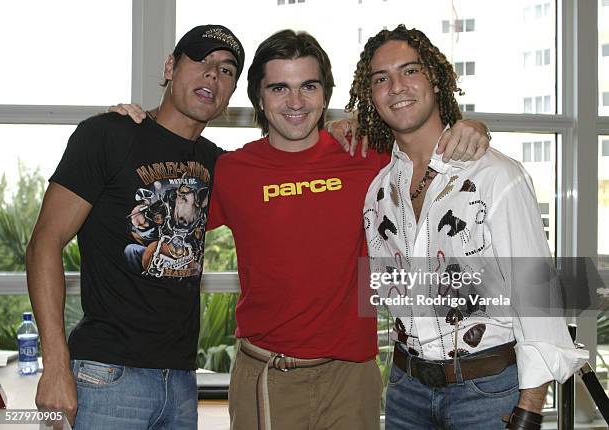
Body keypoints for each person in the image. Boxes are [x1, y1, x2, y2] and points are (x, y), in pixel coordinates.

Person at [110, 30, 490, 430]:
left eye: (308, 86)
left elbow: (424, 134)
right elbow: (153, 207)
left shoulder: (366, 155)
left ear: (326, 94)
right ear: (259, 96)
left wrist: (471, 126)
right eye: (279, 88)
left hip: (351, 378)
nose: (295, 102)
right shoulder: (231, 171)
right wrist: (132, 127)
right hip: (267, 376)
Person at [352, 25, 589, 429]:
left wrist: (530, 408)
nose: (396, 87)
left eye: (410, 71)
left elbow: (537, 298)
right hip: (405, 390)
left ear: (436, 82)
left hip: (486, 393)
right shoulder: (378, 191)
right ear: (370, 97)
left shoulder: (497, 175)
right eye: (380, 79)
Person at [25, 24, 245, 429]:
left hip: (180, 383)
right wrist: (54, 366)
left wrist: (338, 130)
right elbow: (44, 243)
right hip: (106, 377)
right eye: (201, 59)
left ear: (230, 95)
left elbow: (284, 166)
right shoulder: (107, 135)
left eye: (227, 70)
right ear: (169, 67)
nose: (213, 74)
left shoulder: (218, 164)